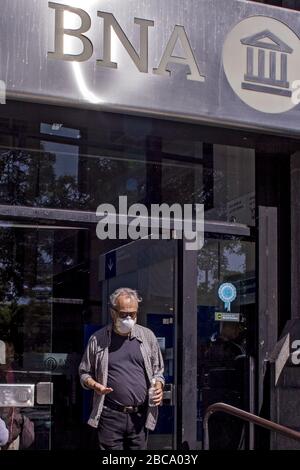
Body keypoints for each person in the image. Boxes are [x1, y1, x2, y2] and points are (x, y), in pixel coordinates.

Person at [79, 287, 165, 450]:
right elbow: (84, 373)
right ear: (113, 312)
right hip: (110, 415)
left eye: (132, 314)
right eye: (123, 314)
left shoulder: (147, 337)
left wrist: (159, 387)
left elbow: (158, 372)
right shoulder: (98, 339)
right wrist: (96, 386)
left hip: (139, 416)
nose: (128, 318)